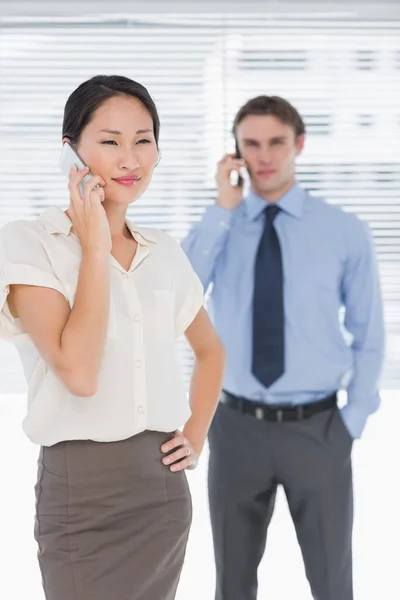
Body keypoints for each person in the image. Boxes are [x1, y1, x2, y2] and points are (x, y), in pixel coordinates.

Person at [0, 74, 225, 600]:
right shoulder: (30, 244)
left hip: (162, 492)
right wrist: (95, 245)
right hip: (83, 495)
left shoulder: (163, 250)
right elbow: (78, 373)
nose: (131, 159)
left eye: (143, 140)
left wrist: (196, 433)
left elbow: (211, 351)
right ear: (70, 153)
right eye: (110, 141)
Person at [182, 95, 385, 600]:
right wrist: (222, 211)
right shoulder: (220, 227)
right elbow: (179, 292)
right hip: (234, 430)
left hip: (318, 431)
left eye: (276, 142)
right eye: (251, 144)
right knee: (232, 582)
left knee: (332, 583)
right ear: (236, 154)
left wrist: (351, 420)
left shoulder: (344, 231)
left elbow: (370, 333)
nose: (264, 155)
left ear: (299, 144)